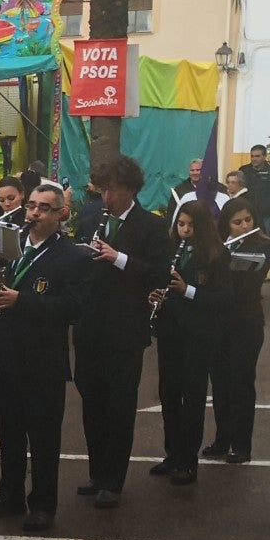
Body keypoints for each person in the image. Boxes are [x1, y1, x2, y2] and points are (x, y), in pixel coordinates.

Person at [0, 182, 87, 531]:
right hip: (8, 355)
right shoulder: (12, 249)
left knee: (43, 437)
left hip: (44, 361)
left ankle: (43, 504)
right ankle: (9, 496)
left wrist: (21, 301)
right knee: (9, 432)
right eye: (32, 206)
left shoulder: (72, 256)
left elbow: (75, 308)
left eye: (43, 208)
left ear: (60, 214)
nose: (33, 213)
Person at [71, 155, 170, 508]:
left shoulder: (151, 226)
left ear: (130, 189)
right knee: (92, 403)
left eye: (111, 190)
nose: (105, 198)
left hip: (124, 330)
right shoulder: (92, 218)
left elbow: (160, 274)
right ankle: (97, 473)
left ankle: (113, 480)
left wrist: (119, 258)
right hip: (89, 327)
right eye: (101, 190)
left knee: (119, 406)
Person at [148, 201, 230, 485]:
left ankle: (188, 461)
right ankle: (172, 455)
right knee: (168, 395)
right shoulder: (171, 251)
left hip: (198, 334)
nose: (184, 230)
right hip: (171, 331)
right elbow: (159, 282)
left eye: (190, 226)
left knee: (192, 398)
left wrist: (188, 290)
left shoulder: (217, 254)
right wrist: (156, 296)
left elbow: (222, 298)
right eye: (180, 224)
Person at [207, 198, 270, 464]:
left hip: (246, 323)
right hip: (219, 323)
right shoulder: (216, 247)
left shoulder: (265, 246)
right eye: (237, 222)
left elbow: (249, 283)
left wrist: (224, 260)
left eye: (248, 220)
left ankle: (241, 444)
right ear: (226, 224)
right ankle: (222, 438)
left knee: (241, 383)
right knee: (220, 383)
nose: (244, 225)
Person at [243, 145, 270, 227]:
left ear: (264, 156)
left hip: (264, 216)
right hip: (246, 215)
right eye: (252, 156)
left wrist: (262, 210)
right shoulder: (244, 170)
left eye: (257, 156)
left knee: (263, 239)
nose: (254, 159)